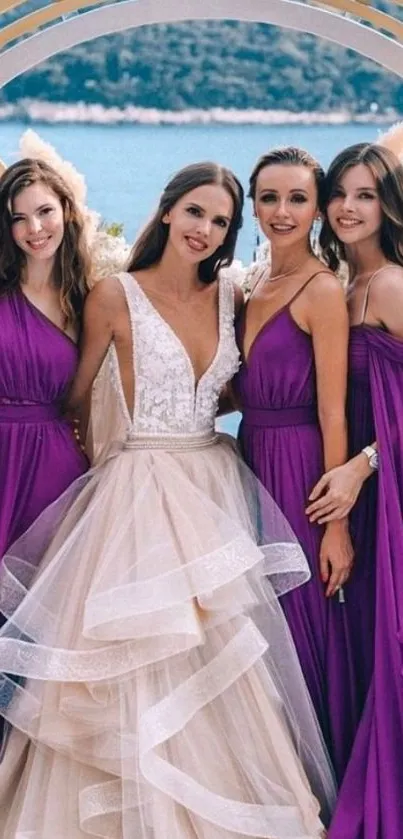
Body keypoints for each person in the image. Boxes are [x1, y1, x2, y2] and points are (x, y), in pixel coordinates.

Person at [0, 161, 335, 838]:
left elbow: (232, 390)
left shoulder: (230, 297)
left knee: (223, 658)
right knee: (134, 655)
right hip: (136, 489)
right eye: (194, 212)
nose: (204, 229)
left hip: (213, 485)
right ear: (167, 211)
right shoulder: (111, 296)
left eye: (219, 220)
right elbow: (75, 401)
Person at [233, 146, 356, 782]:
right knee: (259, 625)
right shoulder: (251, 283)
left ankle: (315, 785)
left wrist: (336, 524)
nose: (282, 212)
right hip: (247, 464)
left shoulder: (322, 290)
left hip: (302, 471)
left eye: (297, 199)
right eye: (270, 198)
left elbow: (334, 411)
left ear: (316, 210)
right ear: (252, 206)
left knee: (301, 618)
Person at [305, 141, 403, 839]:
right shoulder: (336, 290)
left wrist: (364, 463)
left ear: (388, 204)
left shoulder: (395, 285)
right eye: (339, 191)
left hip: (388, 492)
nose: (347, 206)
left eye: (365, 193)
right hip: (355, 504)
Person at [0, 158, 90, 562]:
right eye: (19, 218)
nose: (34, 229)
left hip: (54, 468)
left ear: (66, 211)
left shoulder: (87, 301)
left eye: (44, 211)